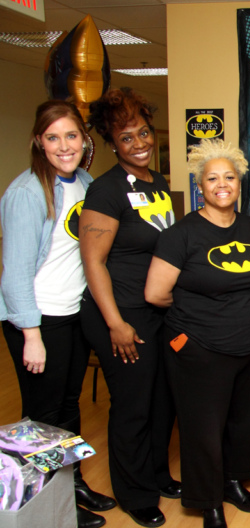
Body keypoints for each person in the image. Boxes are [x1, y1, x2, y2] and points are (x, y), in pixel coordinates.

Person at [0, 100, 115, 528]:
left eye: (71, 136)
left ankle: (72, 484)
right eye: (53, 138)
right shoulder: (26, 193)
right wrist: (31, 334)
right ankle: (50, 502)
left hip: (72, 312)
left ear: (84, 140)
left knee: (69, 407)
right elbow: (14, 274)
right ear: (39, 142)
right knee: (43, 417)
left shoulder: (85, 182)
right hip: (38, 319)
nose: (63, 146)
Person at [145, 139, 250, 528]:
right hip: (200, 349)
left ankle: (233, 482)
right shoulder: (181, 234)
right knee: (203, 431)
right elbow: (155, 293)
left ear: (239, 183)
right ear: (199, 185)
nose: (222, 184)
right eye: (212, 177)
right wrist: (198, 316)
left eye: (229, 177)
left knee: (244, 423)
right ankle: (208, 500)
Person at [79, 87, 179, 528]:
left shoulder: (159, 183)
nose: (138, 143)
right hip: (121, 314)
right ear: (111, 143)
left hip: (157, 312)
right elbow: (93, 262)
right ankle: (134, 493)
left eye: (143, 133)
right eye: (126, 138)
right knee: (134, 404)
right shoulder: (105, 191)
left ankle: (157, 473)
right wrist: (115, 323)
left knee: (162, 401)